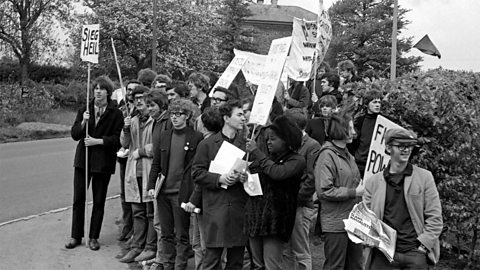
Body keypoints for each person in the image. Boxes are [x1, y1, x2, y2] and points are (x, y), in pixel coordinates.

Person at [363, 128, 443, 270]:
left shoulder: (424, 177)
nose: (406, 150)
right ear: (388, 148)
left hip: (414, 253)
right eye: (401, 146)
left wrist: (423, 246)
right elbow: (366, 218)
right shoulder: (373, 182)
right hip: (384, 253)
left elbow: (435, 217)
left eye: (409, 146)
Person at [65, 75, 124, 250]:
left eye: (101, 89)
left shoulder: (116, 113)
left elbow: (118, 139)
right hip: (83, 161)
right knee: (78, 200)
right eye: (95, 88)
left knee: (99, 200)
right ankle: (76, 236)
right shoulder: (85, 108)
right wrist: (83, 122)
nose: (97, 91)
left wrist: (99, 141)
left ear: (108, 92)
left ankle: (93, 237)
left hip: (103, 162)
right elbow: (75, 134)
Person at [147, 99, 204, 270]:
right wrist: (151, 185)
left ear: (187, 116)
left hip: (182, 193)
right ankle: (167, 265)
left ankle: (180, 266)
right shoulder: (165, 135)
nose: (174, 118)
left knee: (182, 234)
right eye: (172, 114)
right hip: (163, 191)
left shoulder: (196, 137)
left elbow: (196, 168)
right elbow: (156, 163)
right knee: (165, 233)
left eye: (178, 114)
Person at [191, 100, 248, 270]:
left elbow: (253, 173)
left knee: (236, 261)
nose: (243, 118)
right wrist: (220, 179)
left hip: (239, 208)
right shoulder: (207, 144)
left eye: (243, 114)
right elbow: (197, 173)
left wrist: (245, 178)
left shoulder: (246, 145)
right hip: (216, 208)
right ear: (226, 118)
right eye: (239, 114)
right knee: (212, 259)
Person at [244, 115, 305, 270]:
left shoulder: (296, 160)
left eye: (273, 139)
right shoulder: (267, 158)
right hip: (256, 219)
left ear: (286, 139)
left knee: (272, 264)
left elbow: (277, 173)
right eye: (267, 139)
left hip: (276, 223)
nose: (268, 142)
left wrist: (256, 152)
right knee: (257, 265)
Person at [314, 110, 364, 270]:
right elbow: (324, 191)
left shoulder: (347, 155)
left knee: (355, 265)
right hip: (335, 224)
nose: (354, 132)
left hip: (353, 220)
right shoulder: (327, 156)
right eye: (350, 129)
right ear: (340, 130)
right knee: (335, 266)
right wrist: (354, 192)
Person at [119, 85, 157, 263]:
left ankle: (150, 247)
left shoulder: (155, 120)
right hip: (134, 172)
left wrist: (141, 151)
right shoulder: (132, 120)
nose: (139, 101)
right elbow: (125, 144)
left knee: (150, 213)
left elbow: (157, 146)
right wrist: (125, 129)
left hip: (150, 171)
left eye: (143, 98)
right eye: (136, 99)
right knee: (138, 213)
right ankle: (137, 247)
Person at [283, 109, 321, 270]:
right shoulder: (287, 142)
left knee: (300, 249)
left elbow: (312, 178)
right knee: (285, 249)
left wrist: (296, 200)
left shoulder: (312, 145)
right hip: (285, 203)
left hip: (300, 205)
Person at [348, 89, 383, 177]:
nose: (377, 105)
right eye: (374, 102)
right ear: (367, 104)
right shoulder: (359, 121)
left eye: (379, 102)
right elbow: (353, 140)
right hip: (361, 163)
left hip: (377, 165)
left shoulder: (384, 121)